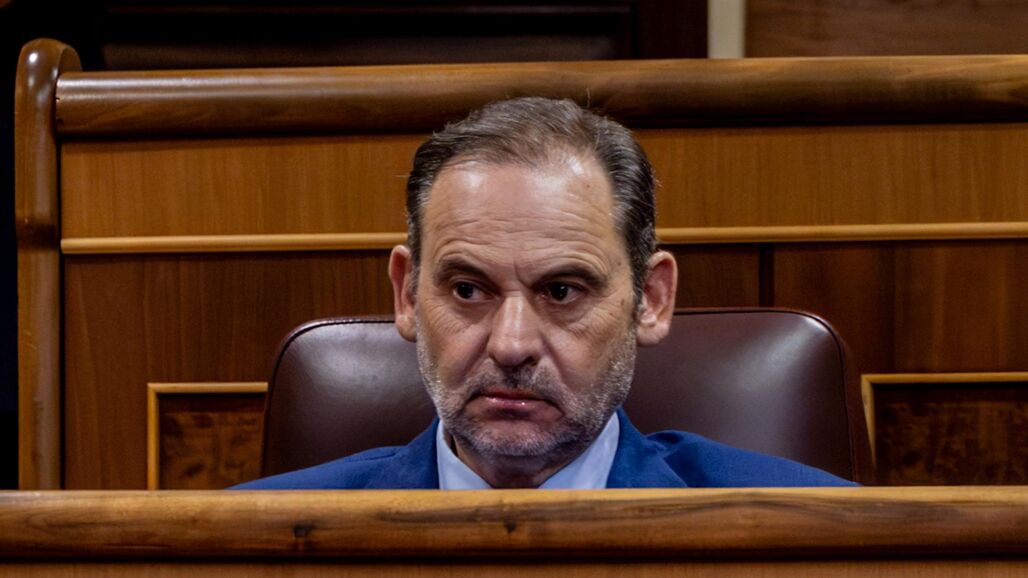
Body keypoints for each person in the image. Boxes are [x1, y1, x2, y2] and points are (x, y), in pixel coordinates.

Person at [237, 97, 854, 490]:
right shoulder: (252, 541)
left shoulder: (813, 535)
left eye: (561, 290)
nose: (511, 346)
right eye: (468, 289)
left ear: (650, 299)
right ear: (407, 294)